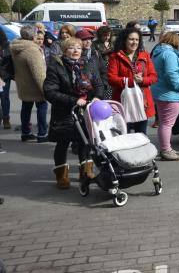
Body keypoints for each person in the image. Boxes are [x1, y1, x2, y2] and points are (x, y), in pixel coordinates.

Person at [43, 37, 106, 189]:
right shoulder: (56, 66)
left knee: (85, 142)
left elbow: (98, 84)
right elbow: (50, 92)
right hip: (64, 111)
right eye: (71, 48)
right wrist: (73, 100)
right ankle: (61, 175)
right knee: (62, 143)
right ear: (65, 51)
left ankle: (85, 172)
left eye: (78, 47)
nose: (76, 50)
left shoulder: (88, 64)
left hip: (86, 111)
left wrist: (97, 97)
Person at [107, 28, 157, 134]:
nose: (134, 42)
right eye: (131, 39)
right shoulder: (115, 57)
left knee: (142, 135)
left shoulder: (145, 56)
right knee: (125, 135)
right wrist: (130, 81)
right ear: (124, 40)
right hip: (123, 102)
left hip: (142, 103)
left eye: (137, 40)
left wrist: (143, 80)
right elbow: (111, 79)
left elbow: (153, 77)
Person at [150, 32, 179, 161]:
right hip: (170, 94)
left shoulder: (158, 52)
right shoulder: (169, 54)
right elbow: (171, 73)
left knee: (164, 123)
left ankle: (166, 147)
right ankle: (166, 149)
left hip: (161, 92)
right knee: (167, 124)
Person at [11, 25, 48, 142]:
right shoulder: (32, 50)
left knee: (25, 108)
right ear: (33, 36)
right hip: (35, 86)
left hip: (23, 83)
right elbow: (39, 73)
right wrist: (45, 88)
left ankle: (25, 132)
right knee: (42, 107)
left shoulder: (17, 47)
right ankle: (42, 134)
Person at [0, 30, 11, 130]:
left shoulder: (6, 46)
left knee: (4, 98)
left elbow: (9, 62)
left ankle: (6, 118)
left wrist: (2, 77)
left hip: (4, 77)